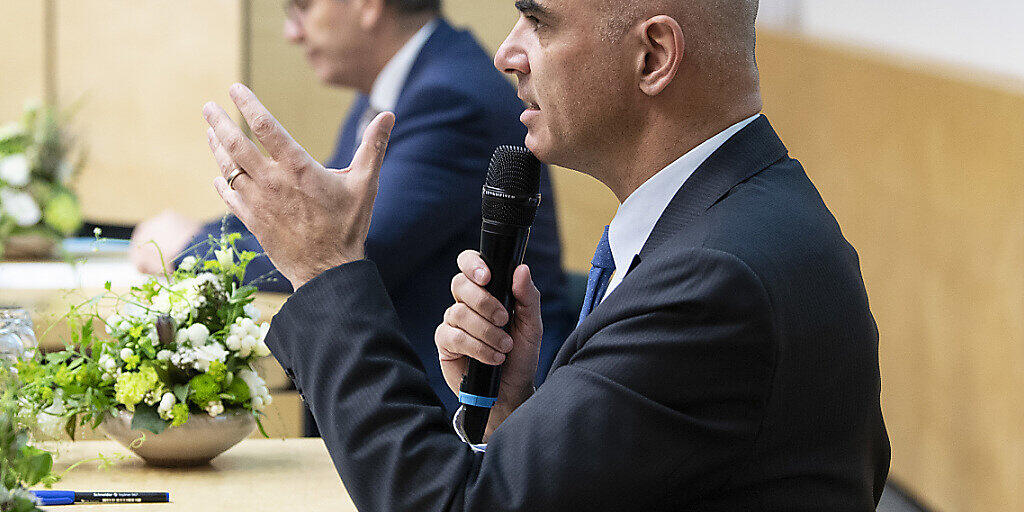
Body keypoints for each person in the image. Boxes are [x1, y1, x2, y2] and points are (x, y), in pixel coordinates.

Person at [201, 0, 891, 509]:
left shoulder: (716, 278)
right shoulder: (733, 215)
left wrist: (325, 268)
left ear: (653, 56)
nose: (507, 53)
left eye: (539, 21)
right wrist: (518, 413)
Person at [130, 0, 573, 415]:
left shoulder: (451, 96)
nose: (291, 33)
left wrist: (186, 251)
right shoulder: (394, 88)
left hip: (465, 412)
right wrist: (201, 237)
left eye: (302, 8)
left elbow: (343, 247)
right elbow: (311, 215)